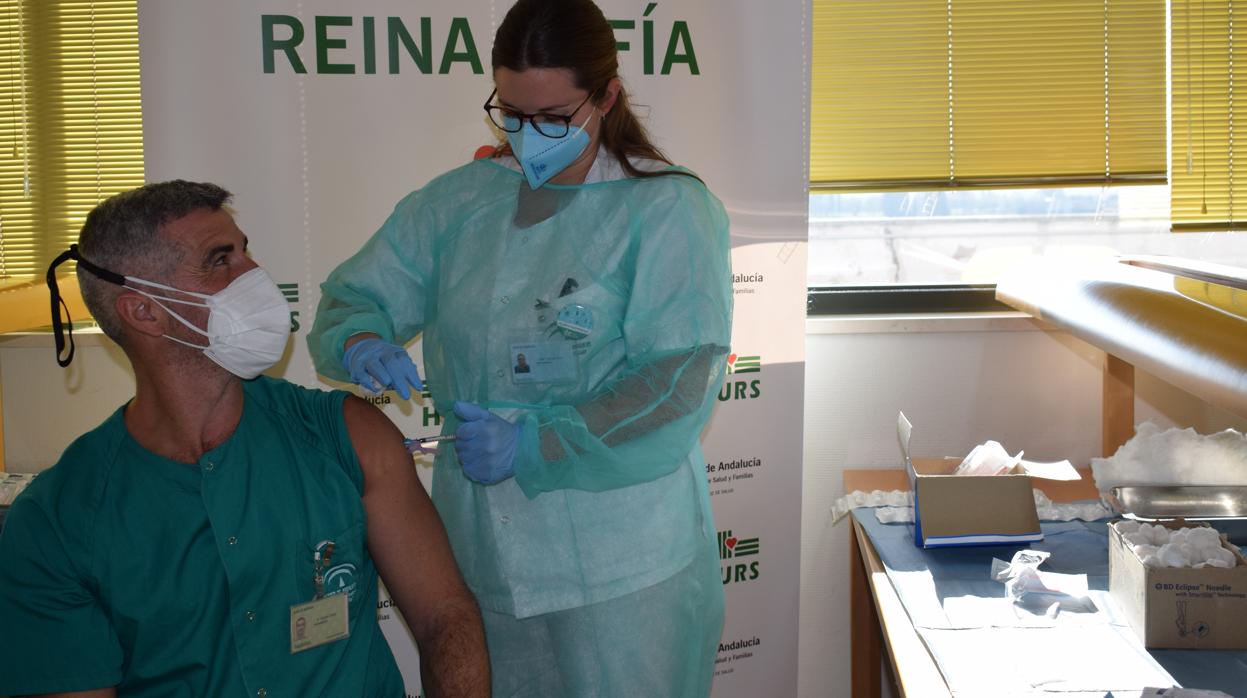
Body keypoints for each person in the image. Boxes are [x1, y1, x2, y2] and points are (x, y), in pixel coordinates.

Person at [307, 0, 733, 695]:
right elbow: (356, 295)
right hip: (485, 549)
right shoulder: (457, 203)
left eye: (554, 117)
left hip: (621, 561)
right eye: (512, 112)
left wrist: (538, 443)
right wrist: (357, 338)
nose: (530, 134)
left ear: (607, 97)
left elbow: (677, 382)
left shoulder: (666, 207)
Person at [0, 181, 490, 697]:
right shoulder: (60, 519)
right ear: (144, 312)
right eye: (220, 261)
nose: (256, 274)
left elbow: (446, 618)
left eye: (245, 251)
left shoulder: (345, 436)